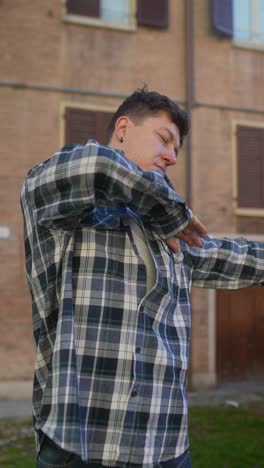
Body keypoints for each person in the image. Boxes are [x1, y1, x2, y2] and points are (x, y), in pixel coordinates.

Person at [21, 87, 264, 468]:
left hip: (164, 445)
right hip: (80, 444)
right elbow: (96, 169)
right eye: (164, 139)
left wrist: (167, 217)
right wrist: (168, 210)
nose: (171, 156)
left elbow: (233, 256)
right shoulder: (59, 203)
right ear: (122, 128)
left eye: (176, 151)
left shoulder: (171, 235)